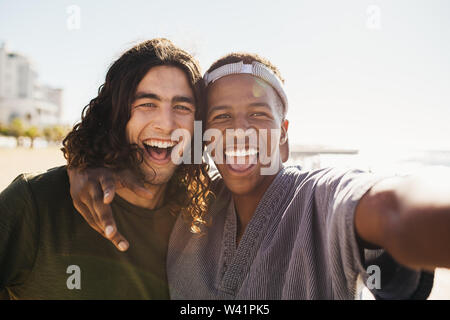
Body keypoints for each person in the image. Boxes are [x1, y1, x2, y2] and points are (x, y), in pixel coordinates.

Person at [69, 52, 450, 300]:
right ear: (203, 136)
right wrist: (82, 165)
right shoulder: (190, 204)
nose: (239, 131)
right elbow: (137, 174)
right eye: (221, 117)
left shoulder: (316, 198)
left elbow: (389, 207)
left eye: (258, 115)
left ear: (284, 135)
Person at [0, 38, 211, 299]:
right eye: (147, 104)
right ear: (116, 115)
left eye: (182, 107)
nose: (166, 124)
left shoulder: (203, 218)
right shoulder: (35, 202)